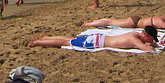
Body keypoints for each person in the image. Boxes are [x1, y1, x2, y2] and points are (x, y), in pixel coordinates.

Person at [28, 27, 158, 52]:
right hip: (96, 42)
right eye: (152, 38)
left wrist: (149, 41)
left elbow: (145, 43)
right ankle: (37, 42)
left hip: (99, 38)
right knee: (67, 42)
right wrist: (150, 44)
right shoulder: (135, 39)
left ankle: (46, 38)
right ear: (147, 35)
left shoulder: (135, 33)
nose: (152, 41)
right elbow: (148, 49)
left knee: (70, 39)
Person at [82, 14, 165, 29]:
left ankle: (94, 21)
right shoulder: (160, 21)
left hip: (137, 20)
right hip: (134, 23)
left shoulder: (161, 17)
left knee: (111, 21)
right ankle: (88, 24)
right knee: (110, 22)